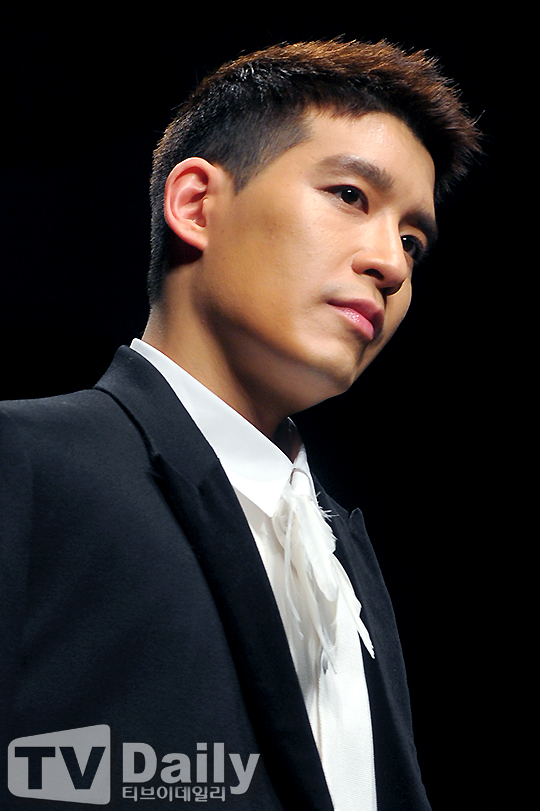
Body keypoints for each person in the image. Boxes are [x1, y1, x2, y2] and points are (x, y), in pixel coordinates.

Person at [0, 39, 481, 810]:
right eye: (351, 195)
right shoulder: (22, 461)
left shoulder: (348, 557)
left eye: (411, 240)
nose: (392, 265)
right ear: (196, 205)